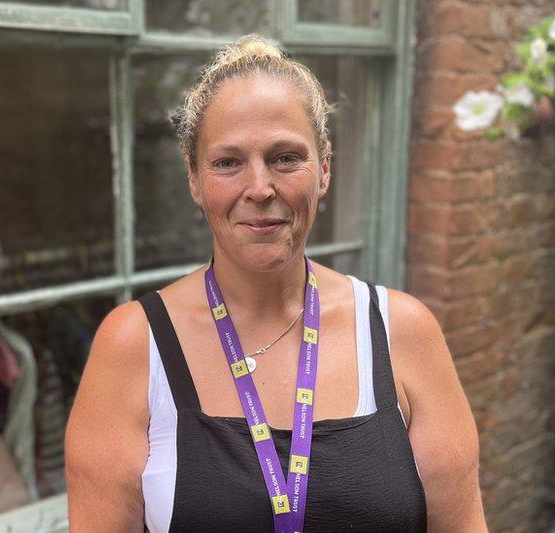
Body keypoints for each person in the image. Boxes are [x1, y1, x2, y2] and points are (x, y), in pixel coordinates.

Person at [64, 34, 487, 532]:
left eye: (286, 158)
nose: (260, 188)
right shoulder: (133, 345)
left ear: (324, 169)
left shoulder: (402, 332)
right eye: (228, 162)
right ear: (195, 179)